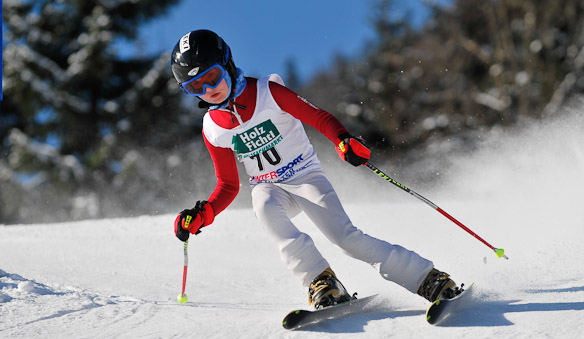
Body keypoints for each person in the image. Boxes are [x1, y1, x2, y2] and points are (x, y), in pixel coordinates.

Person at [171, 29, 461, 309]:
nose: (209, 90)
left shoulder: (267, 92)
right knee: (264, 207)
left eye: (212, 77)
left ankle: (428, 279)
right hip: (269, 186)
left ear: (228, 64)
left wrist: (343, 140)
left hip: (304, 176)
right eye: (196, 87)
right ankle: (322, 282)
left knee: (347, 239)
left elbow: (318, 117)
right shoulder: (212, 128)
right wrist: (203, 213)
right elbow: (228, 185)